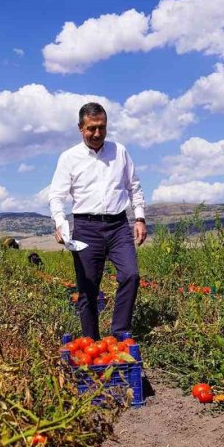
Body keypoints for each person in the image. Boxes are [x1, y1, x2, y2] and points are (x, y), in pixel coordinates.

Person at [48, 102, 146, 340]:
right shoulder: (69, 158)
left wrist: (140, 218)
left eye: (102, 127)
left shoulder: (119, 151)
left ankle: (119, 333)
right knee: (88, 289)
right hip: (86, 228)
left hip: (118, 226)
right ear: (80, 128)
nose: (97, 133)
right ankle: (92, 344)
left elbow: (134, 186)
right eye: (91, 128)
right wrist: (60, 223)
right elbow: (57, 196)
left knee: (131, 275)